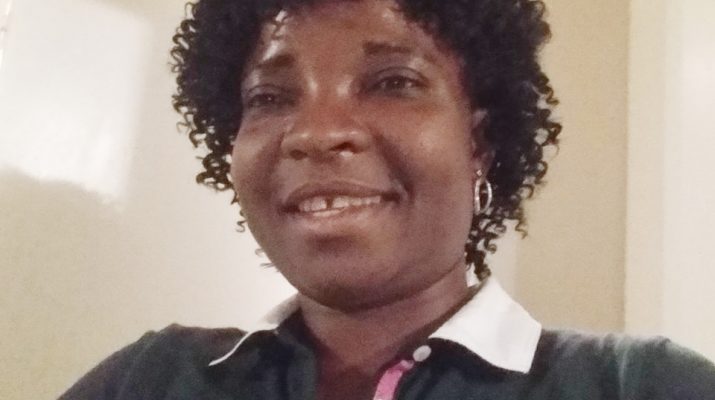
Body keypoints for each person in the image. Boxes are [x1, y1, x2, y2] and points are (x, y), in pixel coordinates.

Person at [60, 0, 715, 399]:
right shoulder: (152, 380)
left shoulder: (643, 386)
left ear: (481, 144)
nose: (316, 133)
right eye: (269, 96)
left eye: (392, 82)